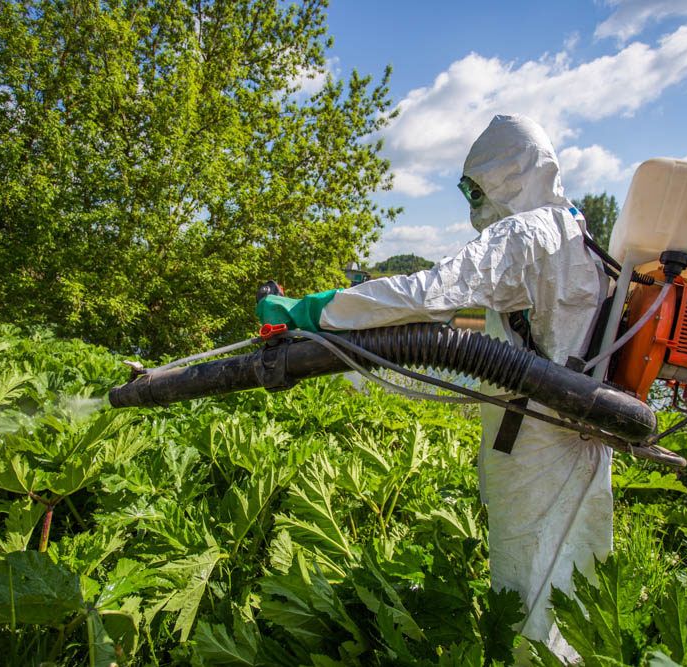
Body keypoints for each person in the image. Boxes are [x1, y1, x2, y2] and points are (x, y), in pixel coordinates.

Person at [257, 114, 612, 662]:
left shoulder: (526, 233)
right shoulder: (573, 228)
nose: (474, 201)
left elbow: (430, 292)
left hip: (539, 434)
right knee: (572, 574)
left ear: (511, 175)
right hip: (580, 431)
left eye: (478, 188)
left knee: (528, 578)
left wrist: (318, 310)